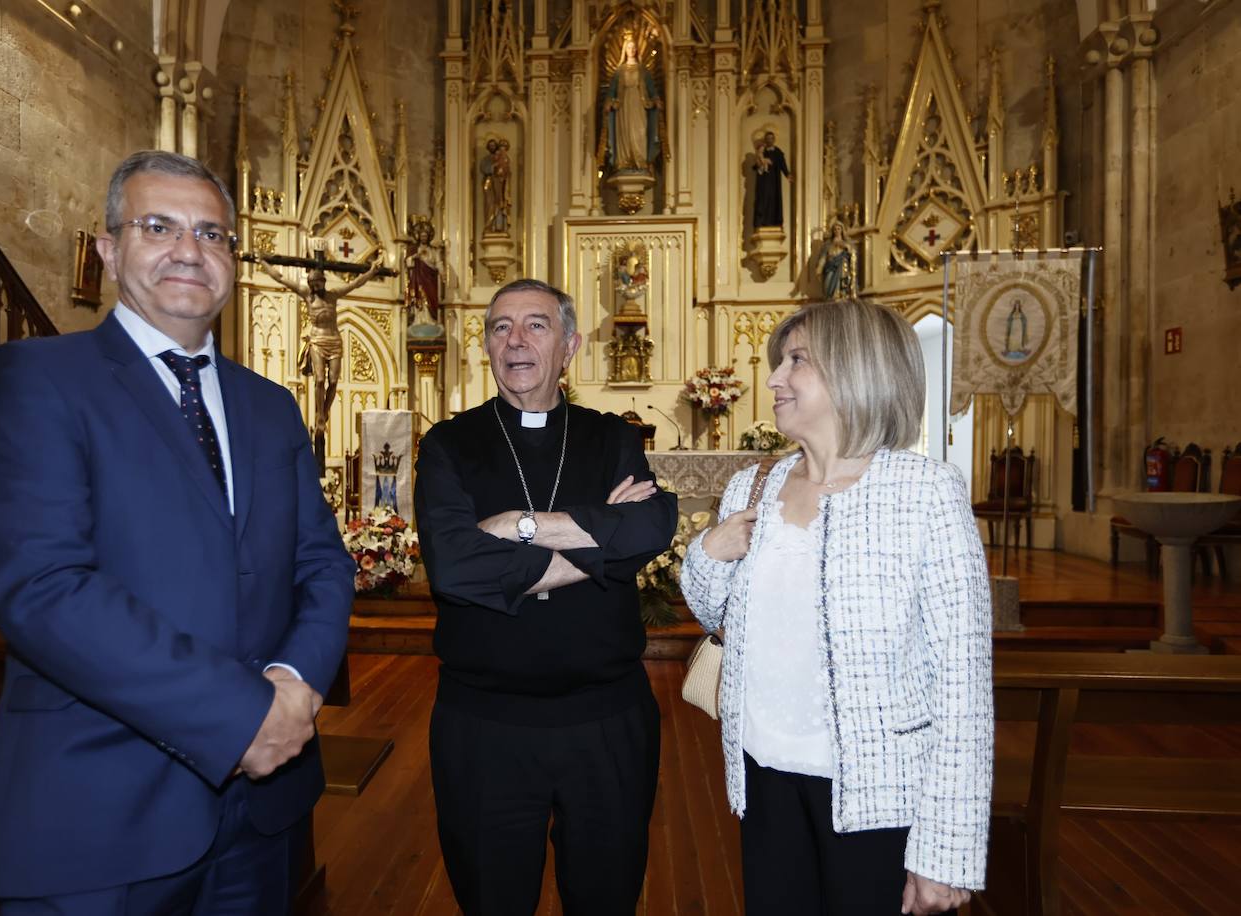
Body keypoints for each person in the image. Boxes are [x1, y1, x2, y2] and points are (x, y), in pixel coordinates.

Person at [0, 150, 356, 915]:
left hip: (267, 811)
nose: (188, 251)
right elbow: (45, 590)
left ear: (232, 259)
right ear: (108, 249)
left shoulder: (270, 405)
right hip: (102, 810)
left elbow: (322, 564)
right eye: (158, 226)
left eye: (211, 234)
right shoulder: (34, 380)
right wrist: (244, 717)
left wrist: (297, 688)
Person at [680, 299, 992, 916]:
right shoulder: (755, 484)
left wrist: (946, 851)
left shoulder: (924, 493)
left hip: (879, 792)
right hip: (763, 775)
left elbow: (963, 683)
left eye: (797, 360)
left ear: (857, 371)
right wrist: (709, 553)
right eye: (780, 361)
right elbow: (707, 610)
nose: (774, 377)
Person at [414, 278, 677, 915]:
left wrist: (516, 527)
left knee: (606, 899)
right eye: (501, 327)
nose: (517, 341)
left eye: (536, 325)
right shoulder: (449, 444)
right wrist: (601, 550)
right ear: (485, 346)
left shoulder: (612, 437)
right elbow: (453, 565)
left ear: (570, 346)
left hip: (606, 720)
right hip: (485, 725)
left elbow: (650, 525)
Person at [255, 252, 384, 439]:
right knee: (320, 380)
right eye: (312, 284)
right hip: (317, 340)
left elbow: (356, 283)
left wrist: (372, 271)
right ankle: (319, 415)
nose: (315, 286)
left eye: (318, 283)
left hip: (334, 341)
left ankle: (325, 410)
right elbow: (281, 278)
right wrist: (262, 261)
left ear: (324, 282)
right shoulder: (307, 296)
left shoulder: (333, 295)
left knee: (333, 381)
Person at [599, 30, 663, 175]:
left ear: (637, 50)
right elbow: (612, 91)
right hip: (623, 107)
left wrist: (656, 99)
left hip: (639, 105)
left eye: (633, 47)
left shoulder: (643, 70)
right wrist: (608, 103)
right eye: (629, 47)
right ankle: (624, 162)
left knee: (640, 132)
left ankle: (641, 162)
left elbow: (651, 88)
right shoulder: (619, 71)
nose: (631, 50)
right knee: (625, 134)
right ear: (625, 50)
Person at [751, 130, 792, 229]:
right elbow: (755, 166)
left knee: (773, 200)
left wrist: (787, 174)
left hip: (774, 182)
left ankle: (774, 222)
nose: (769, 140)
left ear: (774, 140)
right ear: (765, 140)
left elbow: (782, 164)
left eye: (771, 138)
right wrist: (760, 164)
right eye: (768, 139)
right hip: (763, 182)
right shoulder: (762, 151)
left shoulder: (778, 152)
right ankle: (762, 222)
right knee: (763, 200)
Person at [817, 219, 856, 300]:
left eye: (838, 228)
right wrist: (819, 268)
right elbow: (823, 257)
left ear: (842, 230)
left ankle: (841, 297)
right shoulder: (828, 244)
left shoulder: (846, 243)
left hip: (841, 266)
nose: (836, 231)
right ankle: (830, 298)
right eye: (834, 229)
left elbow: (852, 254)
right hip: (830, 266)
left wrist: (846, 247)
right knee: (827, 284)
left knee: (841, 285)